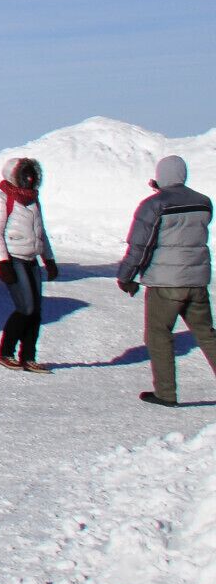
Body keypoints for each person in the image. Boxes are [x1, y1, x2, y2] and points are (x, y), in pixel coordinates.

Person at [116, 154, 215, 407]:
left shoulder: (154, 204)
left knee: (159, 335)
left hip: (165, 285)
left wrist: (126, 276)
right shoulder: (204, 203)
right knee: (207, 335)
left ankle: (166, 393)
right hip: (197, 280)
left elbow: (140, 244)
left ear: (160, 176)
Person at [0, 157, 58, 371]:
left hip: (32, 259)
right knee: (26, 308)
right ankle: (6, 352)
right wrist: (3, 262)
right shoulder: (1, 199)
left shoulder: (34, 200)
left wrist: (48, 259)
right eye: (24, 175)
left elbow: (41, 233)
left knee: (36, 311)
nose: (29, 179)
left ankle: (28, 357)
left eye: (31, 174)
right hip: (14, 258)